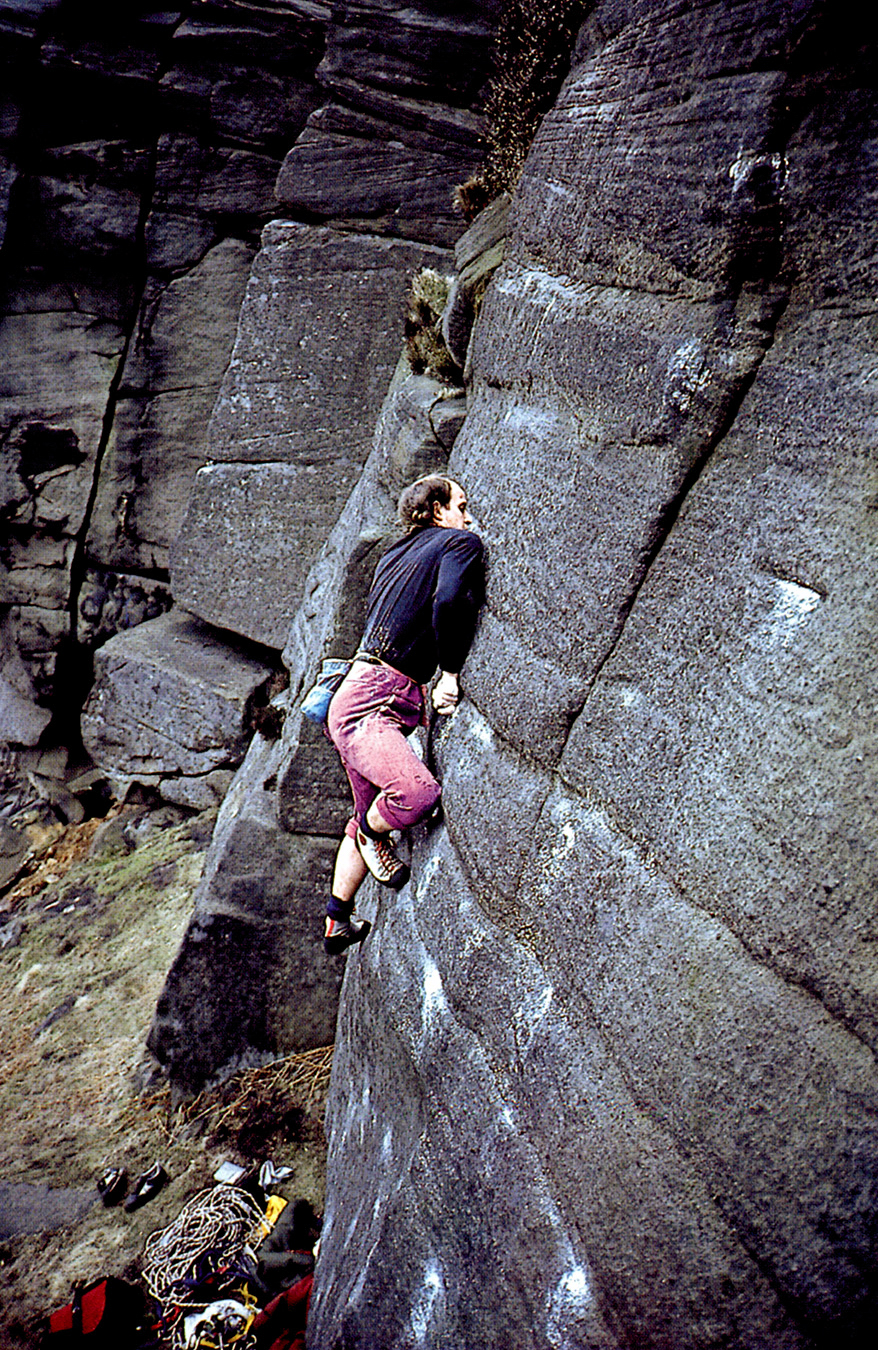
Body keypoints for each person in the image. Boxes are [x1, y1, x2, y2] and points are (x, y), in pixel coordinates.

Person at [323, 474, 485, 955]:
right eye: (460, 505)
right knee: (416, 793)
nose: (468, 516)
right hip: (372, 701)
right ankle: (375, 837)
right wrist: (450, 673)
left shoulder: (395, 554)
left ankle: (336, 919)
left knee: (362, 812)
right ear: (438, 511)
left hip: (355, 694)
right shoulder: (461, 542)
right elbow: (450, 600)